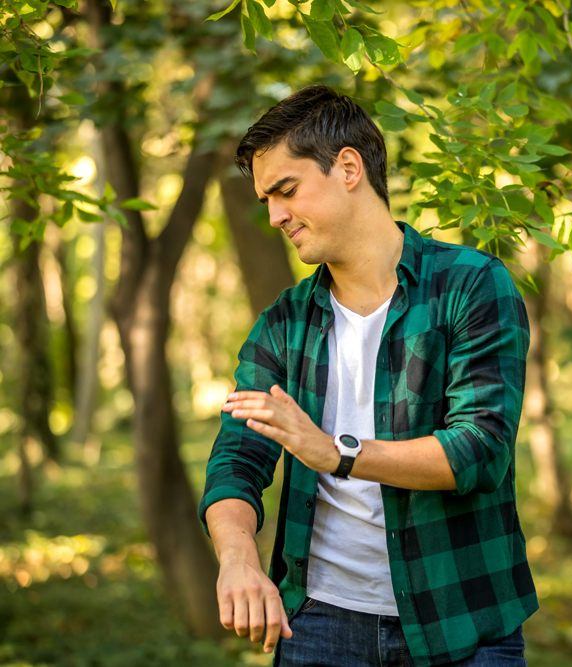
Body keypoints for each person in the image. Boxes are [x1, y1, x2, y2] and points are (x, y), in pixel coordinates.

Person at [197, 85, 537, 667]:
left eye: (287, 190)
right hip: (318, 627)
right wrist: (238, 560)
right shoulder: (283, 324)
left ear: (348, 168)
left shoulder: (471, 286)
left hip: (460, 624)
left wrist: (336, 453)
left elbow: (480, 450)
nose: (275, 215)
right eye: (267, 200)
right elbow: (237, 461)